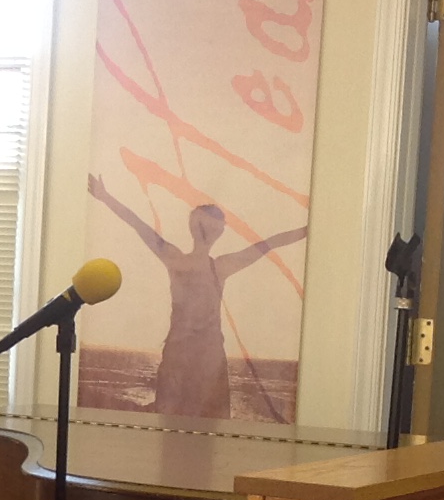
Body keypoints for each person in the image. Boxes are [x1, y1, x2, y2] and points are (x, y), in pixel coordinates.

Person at [86, 177, 307, 416]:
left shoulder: (188, 261)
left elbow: (138, 225)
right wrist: (105, 197)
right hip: (190, 356)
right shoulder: (208, 264)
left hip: (199, 357)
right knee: (186, 421)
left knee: (193, 421)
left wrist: (106, 197)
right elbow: (269, 244)